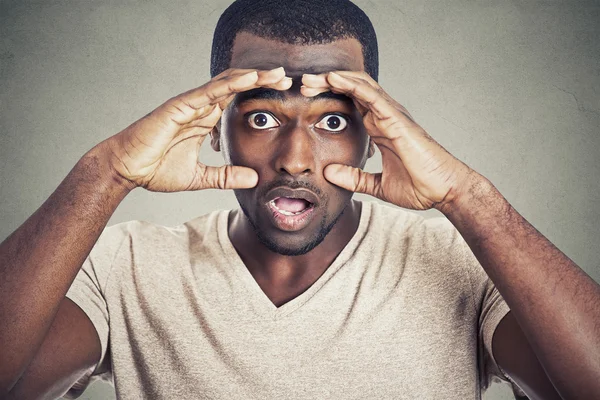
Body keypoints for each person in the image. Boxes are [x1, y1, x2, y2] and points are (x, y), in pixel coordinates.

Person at [1, 0, 599, 398]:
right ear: (215, 127)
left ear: (375, 134)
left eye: (333, 124)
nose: (294, 157)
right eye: (261, 116)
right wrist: (103, 174)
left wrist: (468, 197)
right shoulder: (120, 266)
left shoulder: (465, 261)